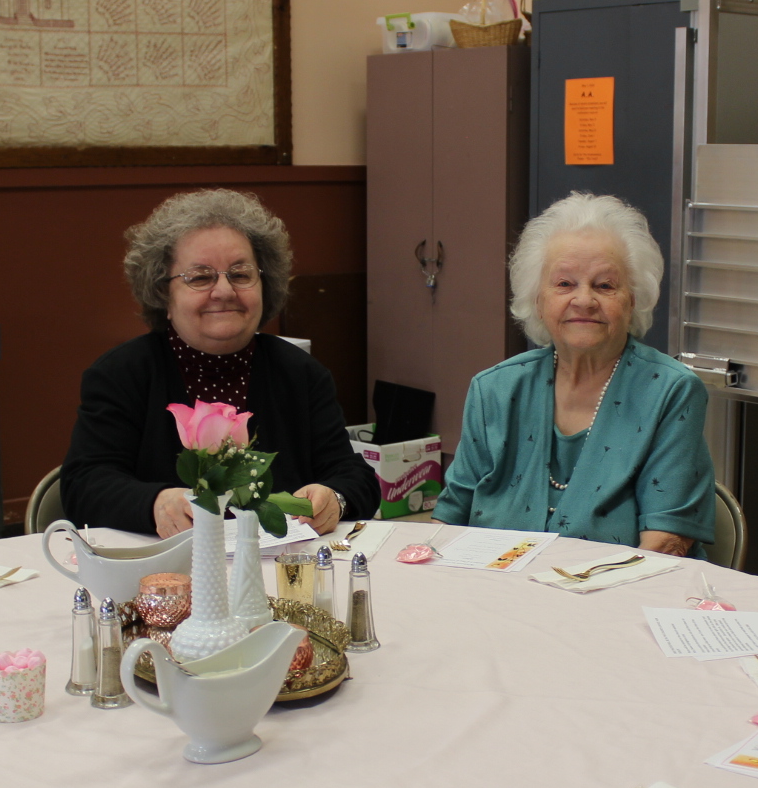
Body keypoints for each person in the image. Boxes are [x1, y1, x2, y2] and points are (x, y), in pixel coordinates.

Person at [61, 189, 378, 537]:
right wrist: (155, 503)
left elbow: (354, 476)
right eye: (200, 277)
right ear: (163, 295)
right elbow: (84, 486)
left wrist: (335, 498)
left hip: (280, 563)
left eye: (240, 275)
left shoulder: (301, 373)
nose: (224, 291)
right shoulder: (121, 374)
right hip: (166, 563)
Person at [434, 192, 715, 555]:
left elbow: (665, 542)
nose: (584, 300)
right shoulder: (495, 390)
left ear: (632, 301)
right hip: (494, 585)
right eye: (564, 284)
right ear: (538, 300)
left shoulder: (670, 392)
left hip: (618, 586)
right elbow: (449, 518)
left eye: (605, 285)